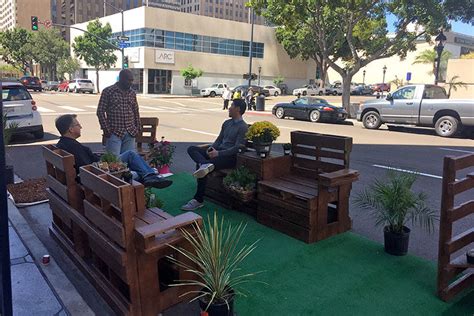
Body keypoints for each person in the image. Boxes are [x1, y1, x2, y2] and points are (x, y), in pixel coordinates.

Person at [55, 114, 172, 189]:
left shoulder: (63, 144)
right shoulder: (73, 147)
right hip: (98, 175)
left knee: (131, 158)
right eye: (78, 124)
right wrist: (110, 165)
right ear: (70, 129)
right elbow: (88, 168)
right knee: (131, 157)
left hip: (94, 171)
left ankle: (150, 175)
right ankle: (150, 176)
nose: (81, 127)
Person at [181, 99, 248, 211]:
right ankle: (204, 164)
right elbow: (219, 139)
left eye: (232, 105)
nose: (229, 107)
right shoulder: (227, 123)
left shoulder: (243, 127)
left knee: (204, 167)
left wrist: (218, 153)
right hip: (217, 153)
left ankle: (198, 200)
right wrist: (211, 149)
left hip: (229, 157)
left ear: (238, 109)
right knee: (192, 149)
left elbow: (238, 148)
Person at [97, 69, 140, 156]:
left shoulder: (132, 93)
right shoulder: (108, 91)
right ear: (121, 79)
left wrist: (138, 128)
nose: (131, 82)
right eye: (129, 80)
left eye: (132, 80)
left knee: (128, 160)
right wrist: (106, 129)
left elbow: (135, 111)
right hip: (114, 132)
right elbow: (100, 111)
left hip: (130, 132)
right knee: (113, 161)